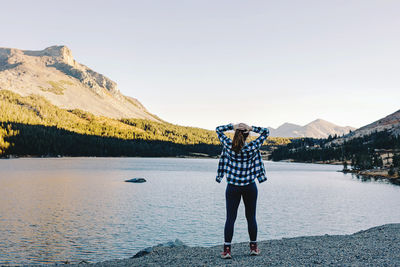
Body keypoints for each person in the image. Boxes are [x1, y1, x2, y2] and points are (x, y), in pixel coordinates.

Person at [215, 122, 269, 259]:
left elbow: (218, 130)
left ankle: (227, 251)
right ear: (246, 135)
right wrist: (251, 128)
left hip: (233, 187)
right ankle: (253, 248)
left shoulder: (228, 145)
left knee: (230, 218)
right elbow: (266, 132)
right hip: (250, 186)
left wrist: (232, 126)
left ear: (236, 134)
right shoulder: (252, 147)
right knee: (251, 217)